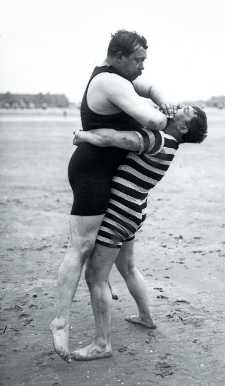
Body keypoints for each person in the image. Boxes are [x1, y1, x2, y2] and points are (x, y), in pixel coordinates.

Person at [50, 29, 179, 363]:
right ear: (118, 57)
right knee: (80, 247)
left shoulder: (122, 77)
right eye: (138, 60)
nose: (142, 68)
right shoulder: (110, 82)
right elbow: (152, 118)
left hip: (112, 179)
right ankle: (61, 322)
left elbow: (149, 92)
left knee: (125, 262)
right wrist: (168, 117)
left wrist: (162, 97)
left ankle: (144, 317)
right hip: (93, 173)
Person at [69, 105, 207, 361]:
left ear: (183, 127)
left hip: (121, 212)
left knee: (95, 275)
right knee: (128, 267)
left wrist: (82, 135)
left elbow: (111, 138)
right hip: (134, 210)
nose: (178, 106)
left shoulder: (158, 139)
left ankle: (102, 345)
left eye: (185, 110)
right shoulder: (170, 143)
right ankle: (146, 317)